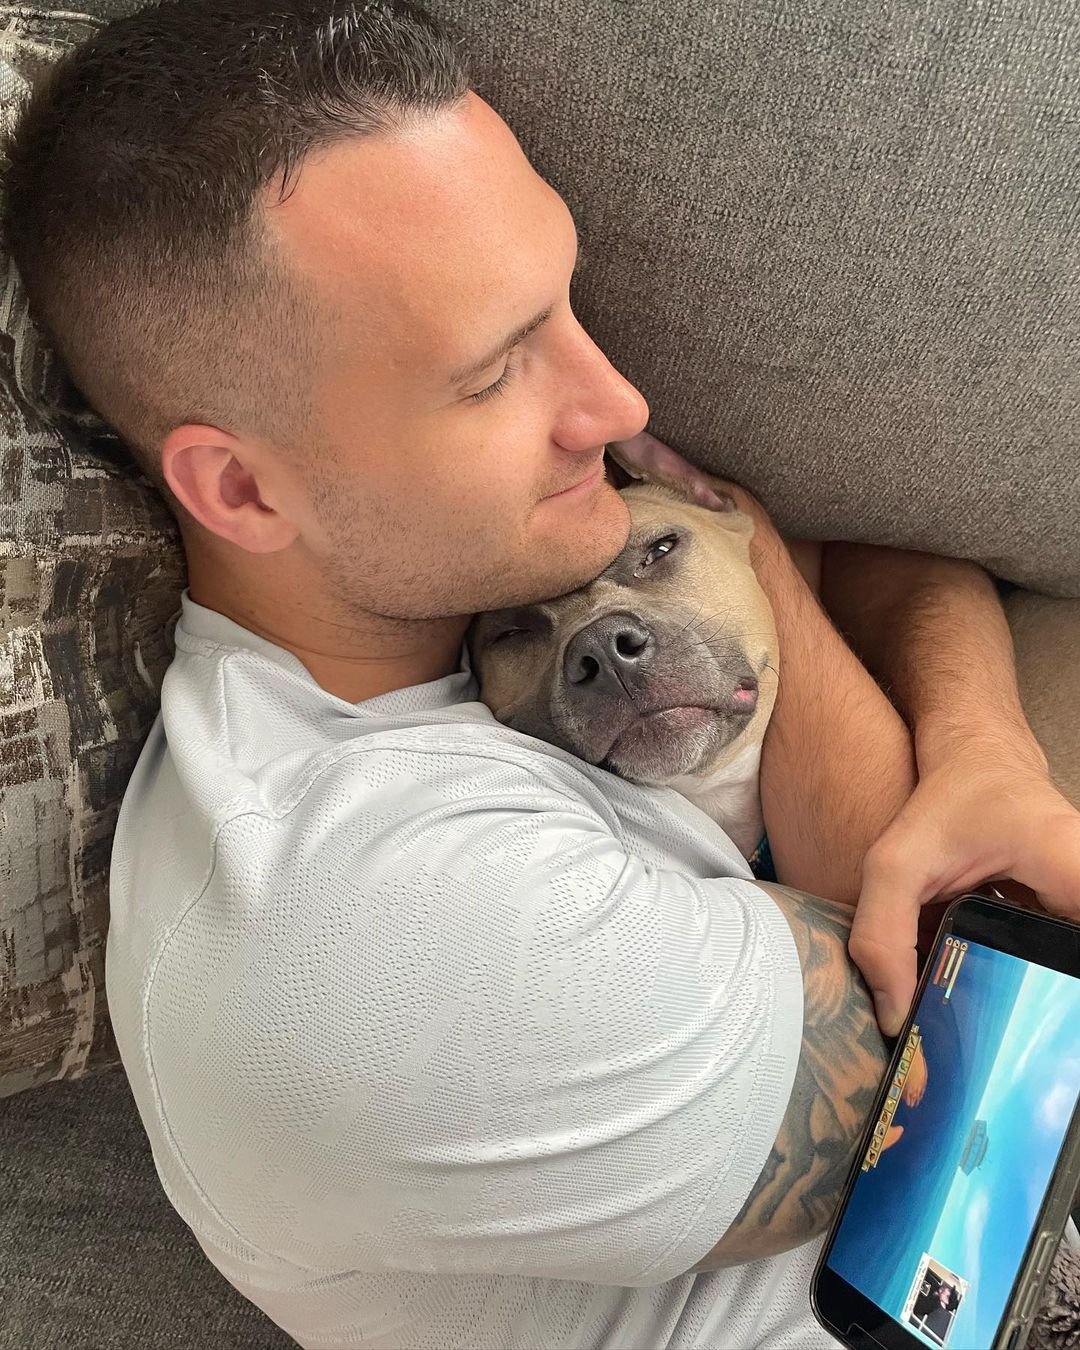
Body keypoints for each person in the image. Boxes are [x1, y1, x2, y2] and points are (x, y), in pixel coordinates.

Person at [4, 1, 1078, 1345]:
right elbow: (977, 1028)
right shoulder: (349, 932)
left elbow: (879, 567)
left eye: (562, 300)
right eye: (498, 366)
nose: (620, 404)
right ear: (239, 486)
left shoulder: (468, 572)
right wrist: (745, 556)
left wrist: (982, 739)